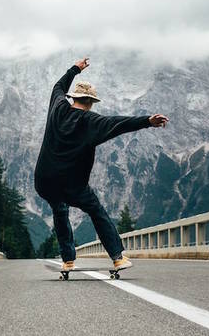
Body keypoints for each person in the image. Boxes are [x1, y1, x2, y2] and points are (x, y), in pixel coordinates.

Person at [34, 57, 169, 271]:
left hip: (44, 180)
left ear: (73, 97)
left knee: (59, 211)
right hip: (72, 184)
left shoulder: (58, 106)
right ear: (90, 102)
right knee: (96, 211)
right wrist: (147, 121)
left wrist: (75, 69)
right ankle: (117, 257)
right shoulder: (90, 121)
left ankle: (68, 261)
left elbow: (58, 86)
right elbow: (118, 123)